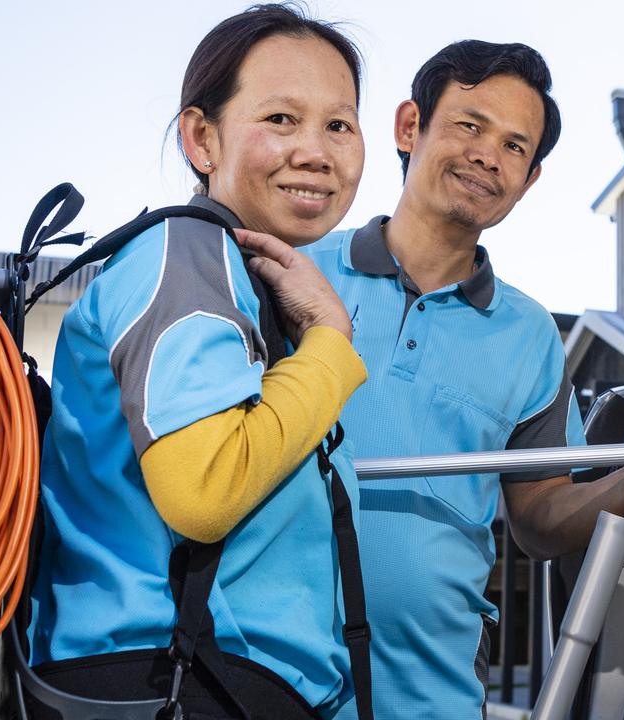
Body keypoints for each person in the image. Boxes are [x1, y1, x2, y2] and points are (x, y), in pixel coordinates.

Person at [292, 40, 624, 718]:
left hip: (431, 689)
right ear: (408, 127)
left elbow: (540, 520)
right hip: (263, 670)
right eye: (469, 125)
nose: (489, 155)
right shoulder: (297, 268)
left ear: (530, 179)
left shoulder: (529, 335)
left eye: (516, 147)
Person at [29, 5, 370, 718]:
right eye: (280, 119)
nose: (316, 150)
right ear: (201, 138)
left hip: (211, 685)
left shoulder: (240, 275)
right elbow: (202, 490)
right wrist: (331, 344)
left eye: (338, 124)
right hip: (178, 685)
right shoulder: (187, 255)